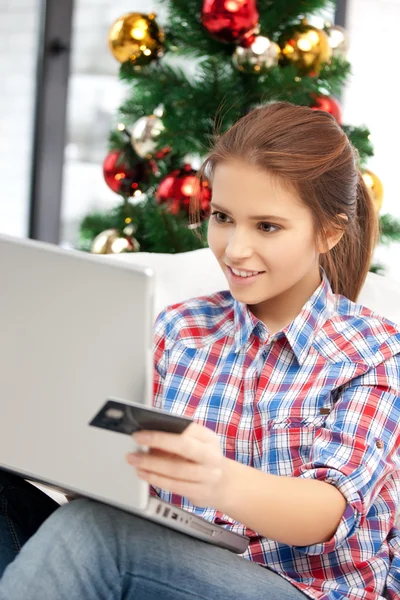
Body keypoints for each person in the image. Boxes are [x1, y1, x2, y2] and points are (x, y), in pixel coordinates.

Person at [0, 101, 399, 600]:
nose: (234, 249)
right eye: (223, 218)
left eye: (267, 227)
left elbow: (328, 512)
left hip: (303, 590)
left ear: (330, 231)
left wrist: (219, 481)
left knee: (96, 534)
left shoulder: (374, 351)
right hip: (163, 566)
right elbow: (119, 470)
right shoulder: (180, 329)